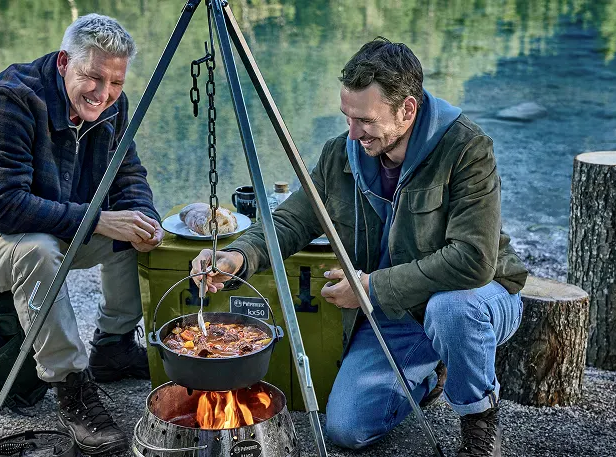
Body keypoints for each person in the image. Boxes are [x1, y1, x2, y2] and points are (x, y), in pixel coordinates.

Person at [190, 37, 528, 457]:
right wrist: (238, 255)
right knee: (347, 429)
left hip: (479, 298)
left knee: (451, 310)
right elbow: (293, 218)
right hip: (396, 313)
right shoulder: (341, 153)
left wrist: (367, 288)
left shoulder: (466, 149)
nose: (352, 132)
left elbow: (474, 261)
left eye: (365, 120)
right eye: (347, 116)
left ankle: (479, 423)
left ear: (407, 110)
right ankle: (430, 373)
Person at [0, 14, 162, 454]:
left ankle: (115, 346)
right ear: (64, 62)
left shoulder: (112, 107)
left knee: (133, 228)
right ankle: (72, 389)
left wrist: (144, 219)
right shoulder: (9, 101)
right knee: (39, 252)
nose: (103, 94)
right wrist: (98, 219)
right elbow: (6, 209)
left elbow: (129, 177)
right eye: (93, 78)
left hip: (36, 222)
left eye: (115, 82)